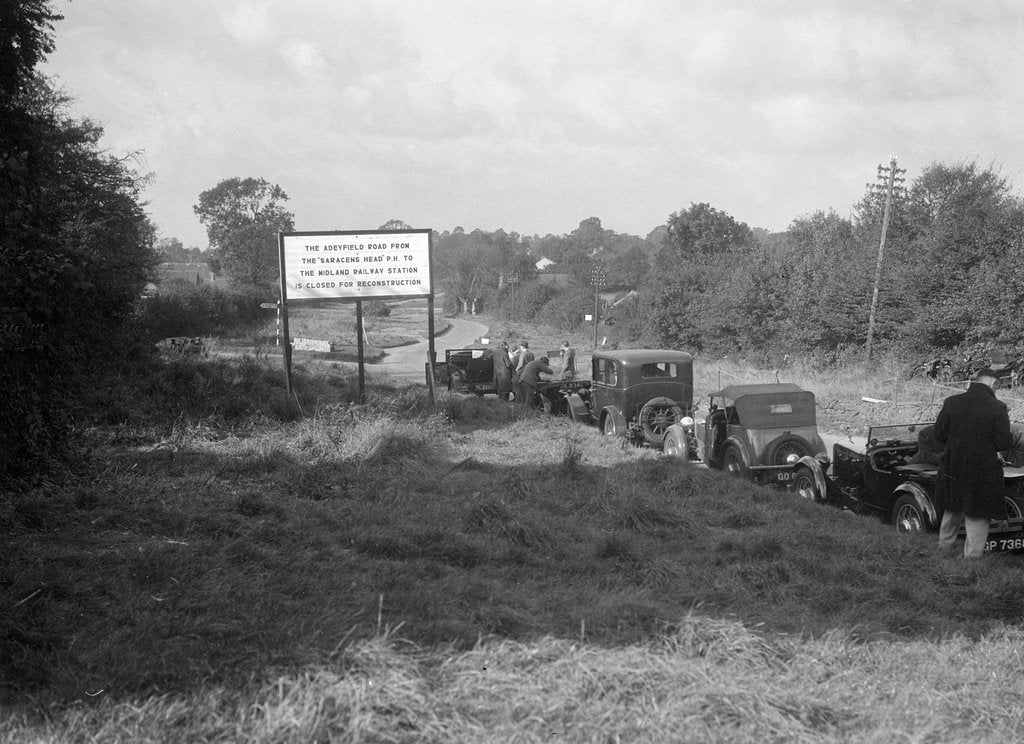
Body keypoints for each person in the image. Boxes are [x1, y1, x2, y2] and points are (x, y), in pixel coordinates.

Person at [933, 368, 1014, 558]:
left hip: (953, 463)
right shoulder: (998, 407)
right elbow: (1004, 442)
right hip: (983, 466)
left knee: (952, 506)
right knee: (978, 511)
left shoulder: (952, 402)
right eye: (998, 387)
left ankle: (943, 549)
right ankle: (972, 558)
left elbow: (939, 434)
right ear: (994, 383)